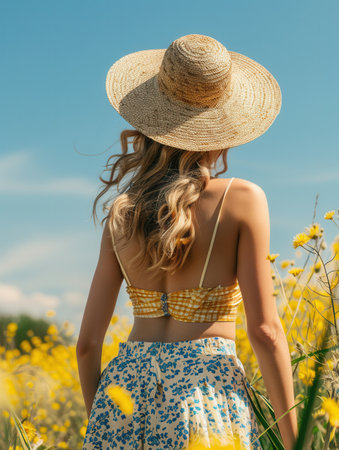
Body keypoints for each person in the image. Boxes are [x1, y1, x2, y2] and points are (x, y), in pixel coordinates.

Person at [77, 34, 298, 449]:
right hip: (201, 393)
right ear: (225, 126)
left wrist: (104, 421)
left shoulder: (122, 212)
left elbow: (88, 344)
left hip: (123, 389)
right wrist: (295, 440)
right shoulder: (242, 199)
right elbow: (266, 332)